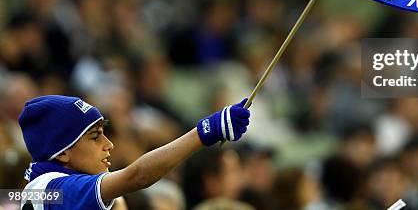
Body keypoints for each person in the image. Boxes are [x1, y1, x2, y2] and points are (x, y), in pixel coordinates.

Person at [17, 94, 250, 209]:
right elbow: (138, 176)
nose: (109, 144)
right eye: (95, 136)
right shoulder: (48, 188)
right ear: (62, 153)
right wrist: (203, 132)